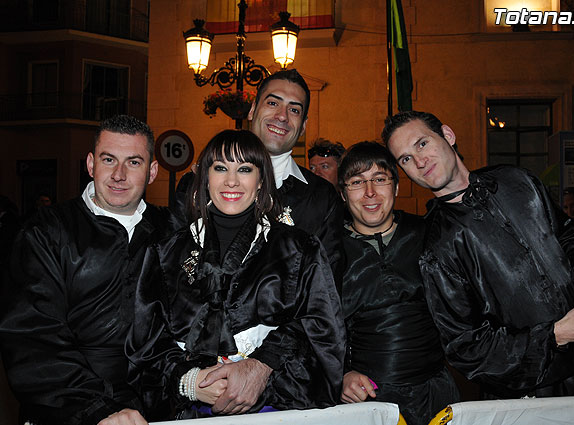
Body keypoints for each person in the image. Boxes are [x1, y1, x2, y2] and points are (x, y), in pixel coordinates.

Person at [382, 111, 574, 398]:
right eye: (405, 159)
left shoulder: (517, 180)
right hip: (530, 393)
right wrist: (559, 334)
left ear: (447, 135)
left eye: (422, 144)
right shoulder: (436, 248)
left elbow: (568, 237)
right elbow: (466, 348)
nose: (419, 162)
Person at [126, 129, 345, 420]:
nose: (231, 181)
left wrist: (261, 371)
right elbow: (144, 348)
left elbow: (323, 339)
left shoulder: (299, 249)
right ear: (205, 178)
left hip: (276, 414)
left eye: (244, 169)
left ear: (261, 181)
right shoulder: (165, 252)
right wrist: (190, 382)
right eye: (220, 168)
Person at [0, 115, 175, 425]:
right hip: (68, 412)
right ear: (91, 164)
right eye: (109, 160)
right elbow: (33, 338)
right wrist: (96, 411)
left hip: (158, 412)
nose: (119, 175)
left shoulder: (172, 232)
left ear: (152, 172)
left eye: (133, 163)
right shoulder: (47, 232)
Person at [338, 142, 459, 425]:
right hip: (367, 398)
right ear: (343, 194)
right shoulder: (330, 251)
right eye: (357, 182)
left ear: (396, 187)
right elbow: (315, 324)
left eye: (380, 179)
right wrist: (341, 374)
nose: (370, 192)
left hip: (435, 392)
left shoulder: (429, 234)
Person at [247, 69, 343, 279]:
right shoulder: (205, 180)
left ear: (303, 127)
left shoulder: (323, 198)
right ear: (253, 110)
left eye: (294, 110)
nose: (282, 116)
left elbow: (326, 286)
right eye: (273, 103)